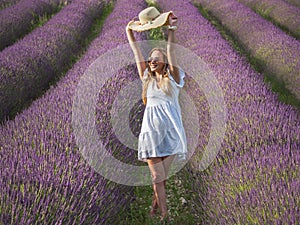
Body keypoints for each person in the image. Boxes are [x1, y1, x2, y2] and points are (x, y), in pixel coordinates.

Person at [126, 6, 187, 222]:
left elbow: (171, 52)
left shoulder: (173, 80)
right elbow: (136, 53)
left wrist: (171, 29)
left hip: (170, 133)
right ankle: (164, 215)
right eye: (151, 58)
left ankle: (154, 206)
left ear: (164, 64)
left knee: (162, 179)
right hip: (151, 133)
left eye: (156, 59)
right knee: (156, 176)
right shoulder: (146, 79)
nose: (152, 61)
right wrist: (130, 33)